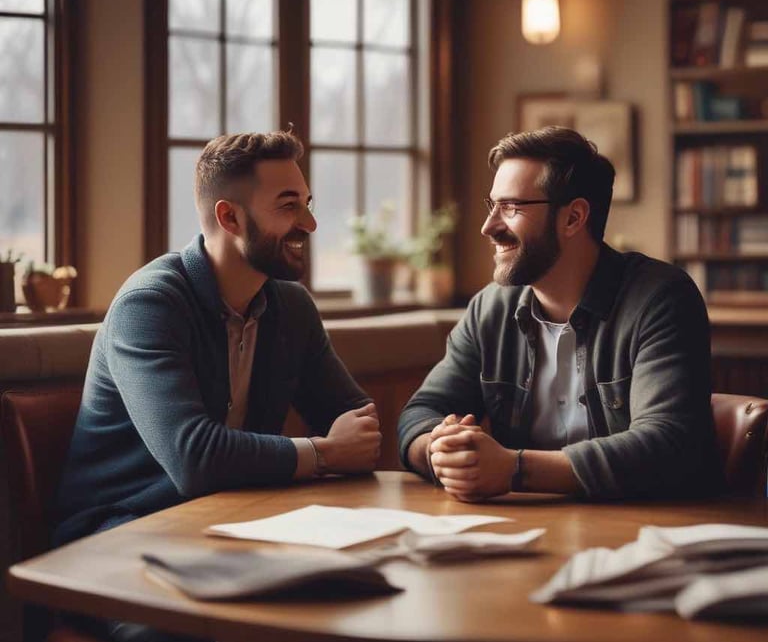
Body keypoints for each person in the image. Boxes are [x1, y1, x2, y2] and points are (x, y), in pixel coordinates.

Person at [55, 130, 381, 642]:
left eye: (307, 203)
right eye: (289, 205)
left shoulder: (291, 307)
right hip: (122, 531)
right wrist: (322, 453)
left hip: (235, 527)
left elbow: (355, 422)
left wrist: (342, 447)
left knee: (358, 597)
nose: (310, 224)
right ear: (229, 218)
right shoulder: (150, 304)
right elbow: (194, 459)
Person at [397, 126, 721, 502]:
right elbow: (421, 412)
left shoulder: (660, 298)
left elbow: (666, 443)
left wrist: (514, 468)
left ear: (573, 218)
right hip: (529, 531)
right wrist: (440, 450)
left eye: (511, 207)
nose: (489, 227)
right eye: (492, 206)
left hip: (655, 528)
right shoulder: (490, 308)